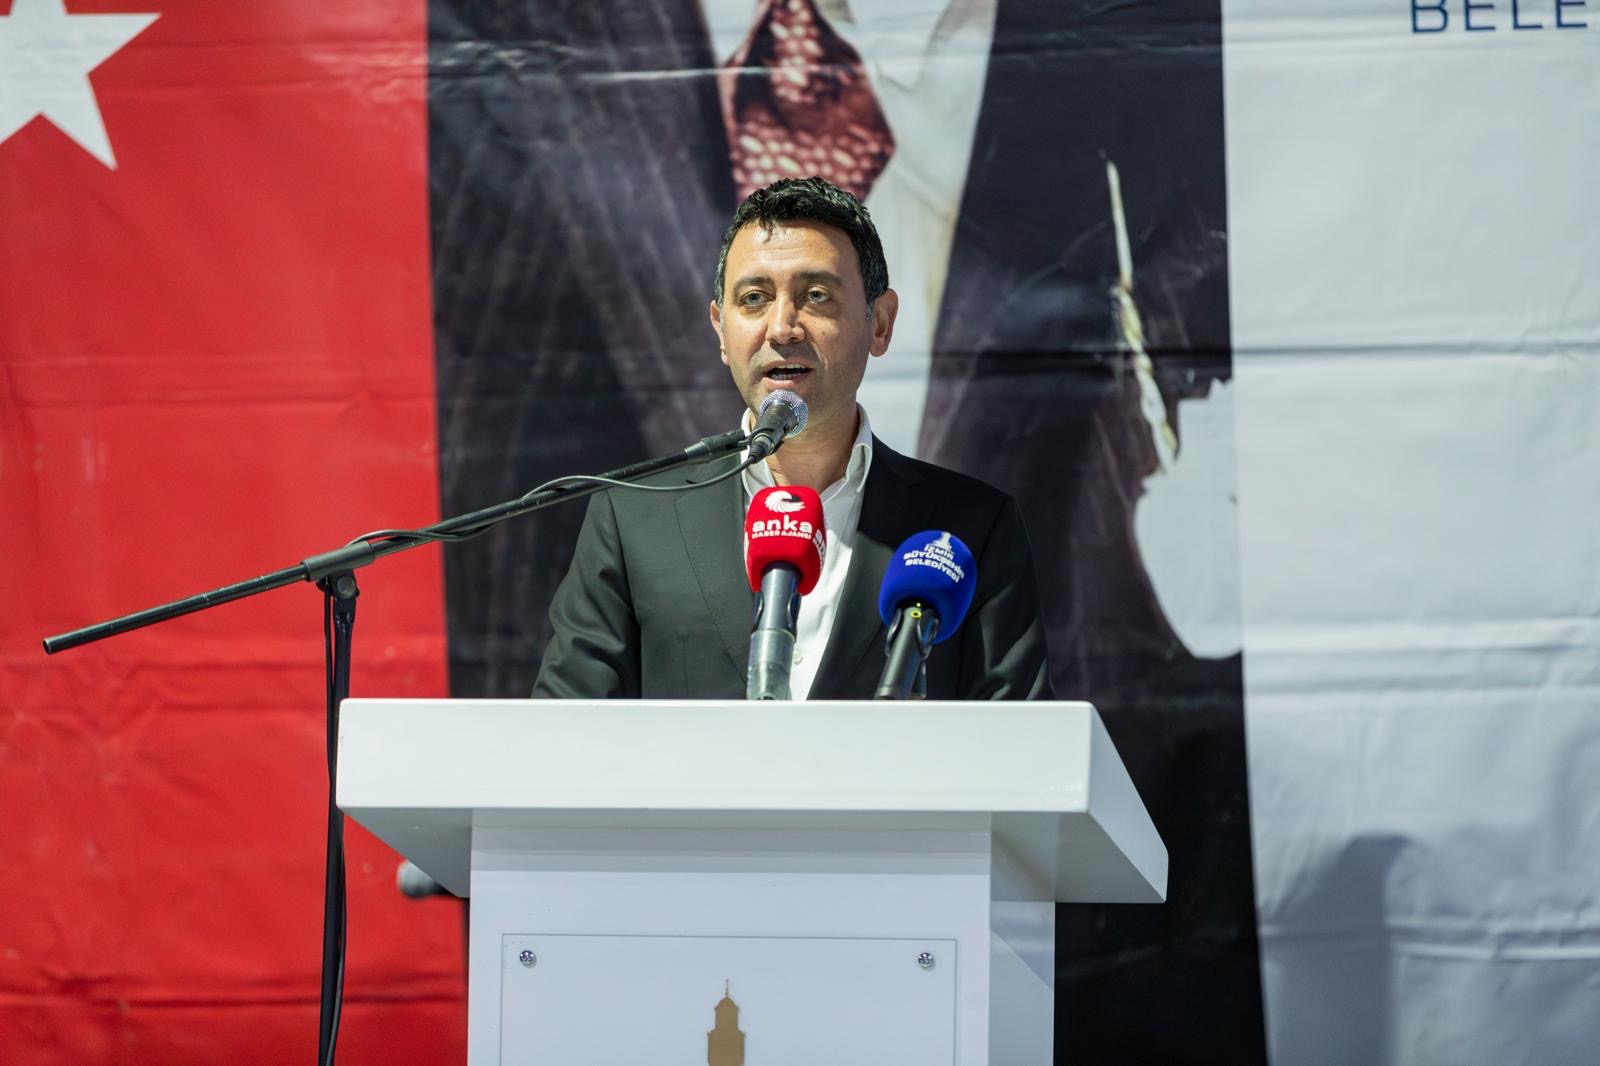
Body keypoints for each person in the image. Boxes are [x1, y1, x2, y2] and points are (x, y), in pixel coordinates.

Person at [532, 178, 1053, 700]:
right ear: (720, 329)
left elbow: (1021, 739)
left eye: (817, 296)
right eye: (754, 299)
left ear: (880, 323)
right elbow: (563, 728)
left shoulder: (971, 529)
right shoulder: (632, 518)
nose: (782, 328)